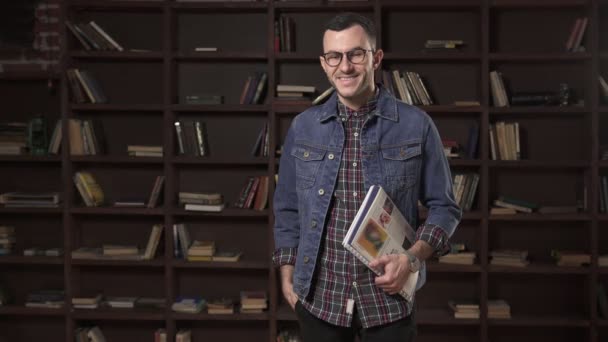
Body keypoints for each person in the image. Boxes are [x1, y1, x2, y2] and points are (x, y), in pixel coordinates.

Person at [272, 12, 461, 342]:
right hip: (318, 300)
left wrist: (412, 260)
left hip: (389, 302)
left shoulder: (417, 126)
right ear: (323, 62)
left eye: (356, 54)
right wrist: (287, 279)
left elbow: (445, 208)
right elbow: (287, 209)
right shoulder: (303, 128)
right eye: (334, 56)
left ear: (376, 58)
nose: (344, 67)